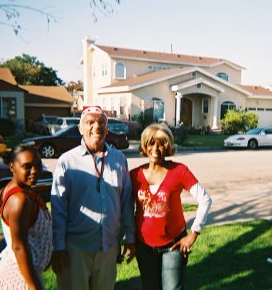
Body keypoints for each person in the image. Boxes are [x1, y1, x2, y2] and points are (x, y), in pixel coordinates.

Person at [51, 105, 135, 290]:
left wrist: (130, 236)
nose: (96, 127)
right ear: (81, 129)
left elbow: (126, 201)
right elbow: (58, 208)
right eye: (90, 122)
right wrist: (58, 247)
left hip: (108, 247)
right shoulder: (67, 161)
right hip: (75, 249)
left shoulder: (119, 159)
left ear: (107, 127)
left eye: (101, 122)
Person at [130, 123, 212, 290]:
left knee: (172, 288)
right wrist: (128, 239)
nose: (156, 148)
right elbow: (125, 210)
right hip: (144, 247)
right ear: (145, 145)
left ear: (168, 147)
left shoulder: (179, 171)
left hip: (173, 245)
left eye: (162, 144)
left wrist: (193, 233)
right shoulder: (134, 175)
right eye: (152, 143)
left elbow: (205, 199)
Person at [0, 145, 52, 290]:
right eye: (27, 166)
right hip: (19, 279)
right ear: (12, 167)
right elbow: (18, 247)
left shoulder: (23, 191)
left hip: (27, 276)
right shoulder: (19, 200)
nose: (34, 171)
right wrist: (34, 286)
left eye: (38, 164)